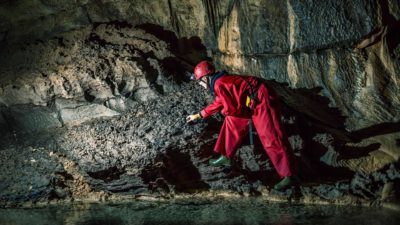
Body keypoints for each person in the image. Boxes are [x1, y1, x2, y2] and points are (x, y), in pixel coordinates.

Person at [186, 60, 298, 190]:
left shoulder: (219, 84)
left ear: (205, 78)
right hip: (251, 100)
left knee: (270, 136)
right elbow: (219, 102)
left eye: (199, 81)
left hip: (262, 98)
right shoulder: (219, 82)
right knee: (231, 121)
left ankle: (289, 176)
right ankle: (226, 157)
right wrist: (199, 115)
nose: (199, 84)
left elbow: (230, 109)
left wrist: (224, 111)